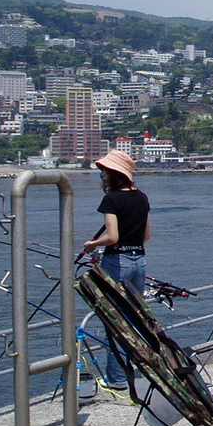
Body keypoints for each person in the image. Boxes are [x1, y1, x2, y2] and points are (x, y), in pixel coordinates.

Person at [83, 150, 151, 390]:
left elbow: (112, 237)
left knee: (114, 321)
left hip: (117, 261)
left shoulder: (111, 200)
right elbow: (147, 236)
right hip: (139, 262)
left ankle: (118, 378)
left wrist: (92, 244)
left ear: (113, 174)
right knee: (133, 319)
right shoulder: (142, 197)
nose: (102, 176)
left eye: (104, 172)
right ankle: (138, 369)